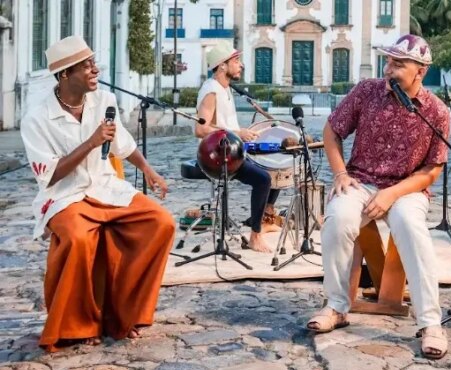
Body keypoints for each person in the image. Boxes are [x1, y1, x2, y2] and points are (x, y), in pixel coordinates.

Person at [20, 36, 176, 352]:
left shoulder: (103, 100)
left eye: (94, 63)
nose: (95, 70)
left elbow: (123, 144)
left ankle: (123, 315)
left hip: (106, 188)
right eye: (87, 65)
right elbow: (50, 175)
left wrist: (149, 171)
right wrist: (91, 142)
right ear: (65, 74)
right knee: (78, 238)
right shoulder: (36, 120)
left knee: (161, 223)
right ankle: (78, 326)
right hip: (65, 197)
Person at [305, 35, 451, 359]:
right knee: (338, 218)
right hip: (359, 180)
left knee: (411, 228)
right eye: (389, 61)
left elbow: (432, 170)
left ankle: (430, 323)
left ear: (421, 71)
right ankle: (336, 307)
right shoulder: (366, 91)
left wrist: (392, 194)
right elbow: (332, 131)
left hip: (406, 188)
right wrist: (341, 174)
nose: (390, 69)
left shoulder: (436, 111)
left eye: (399, 64)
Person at [194, 42, 281, 252]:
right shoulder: (212, 91)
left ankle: (262, 218)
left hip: (232, 150)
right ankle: (255, 236)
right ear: (222, 66)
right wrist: (237, 134)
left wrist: (243, 133)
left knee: (276, 166)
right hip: (216, 157)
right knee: (263, 179)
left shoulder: (225, 88)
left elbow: (224, 125)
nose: (240, 65)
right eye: (236, 61)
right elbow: (200, 129)